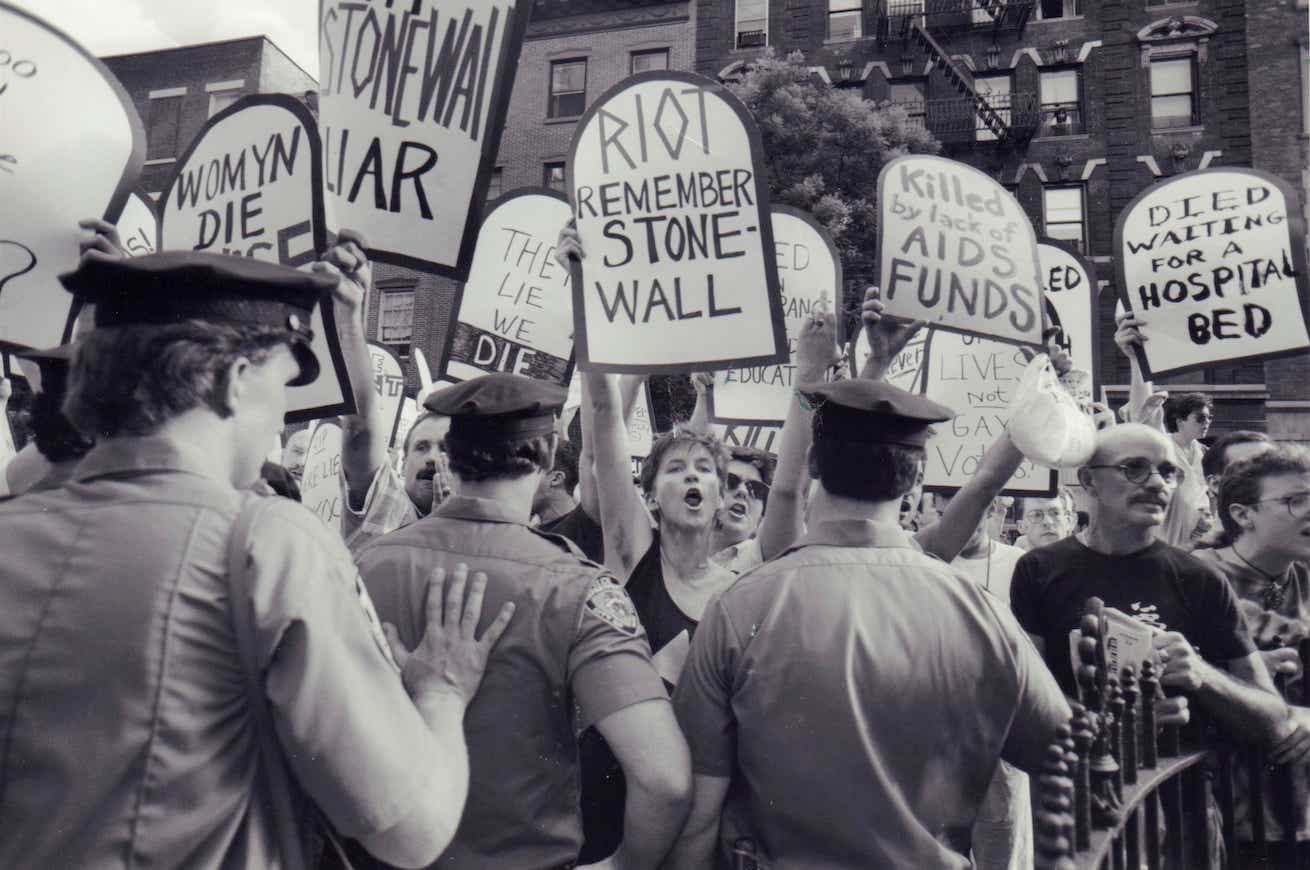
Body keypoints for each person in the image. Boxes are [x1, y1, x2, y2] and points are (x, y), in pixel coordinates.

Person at [0, 251, 511, 869]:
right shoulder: (263, 543)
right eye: (284, 381)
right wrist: (443, 691)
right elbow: (412, 827)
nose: (280, 415)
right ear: (233, 380)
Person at [667, 379, 1071, 869]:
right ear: (916, 478)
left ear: (815, 463)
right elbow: (1073, 761)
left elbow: (696, 817)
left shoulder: (738, 608)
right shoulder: (980, 613)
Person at [354, 373, 691, 870]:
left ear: (449, 454)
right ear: (550, 454)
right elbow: (665, 779)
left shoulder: (363, 566)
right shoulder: (576, 587)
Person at [1011, 423, 1310, 752]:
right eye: (1135, 468)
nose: (1157, 483)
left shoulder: (1199, 578)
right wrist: (1103, 722)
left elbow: (1274, 721)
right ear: (1088, 481)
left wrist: (1201, 675)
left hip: (1177, 792)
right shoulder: (1038, 569)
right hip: (1074, 789)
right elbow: (1024, 694)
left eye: (1169, 472)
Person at [1194, 447, 1310, 867]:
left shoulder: (1303, 574)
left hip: (1299, 816)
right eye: (1296, 501)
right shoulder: (1194, 579)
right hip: (1223, 816)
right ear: (1243, 515)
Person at [325, 232, 455, 552]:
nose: (433, 459)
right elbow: (359, 427)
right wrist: (349, 315)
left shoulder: (484, 535)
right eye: (422, 447)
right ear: (401, 459)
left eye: (446, 448)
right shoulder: (387, 506)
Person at [943, 494, 1032, 870]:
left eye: (979, 506)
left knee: (1002, 842)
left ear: (995, 510)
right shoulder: (925, 559)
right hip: (937, 728)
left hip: (999, 729)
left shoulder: (1020, 564)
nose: (967, 516)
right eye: (948, 502)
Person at [1115, 313, 1213, 546]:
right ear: (1179, 420)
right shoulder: (1163, 445)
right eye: (1200, 418)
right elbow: (1143, 412)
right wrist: (1137, 360)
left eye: (1209, 418)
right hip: (1165, 535)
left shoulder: (1207, 454)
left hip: (1198, 542)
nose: (1206, 422)